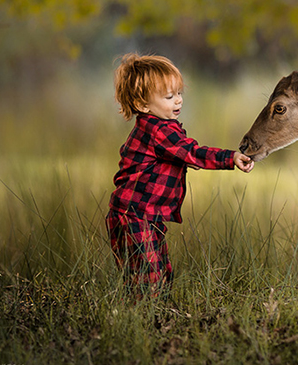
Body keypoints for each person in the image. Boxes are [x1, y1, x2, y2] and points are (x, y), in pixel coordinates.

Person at [106, 53, 253, 299]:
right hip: (133, 216)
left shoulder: (163, 128)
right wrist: (231, 158)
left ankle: (157, 318)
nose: (178, 101)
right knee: (148, 276)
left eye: (179, 93)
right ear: (143, 105)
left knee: (160, 272)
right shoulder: (157, 131)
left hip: (146, 215)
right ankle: (145, 322)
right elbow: (192, 153)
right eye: (169, 96)